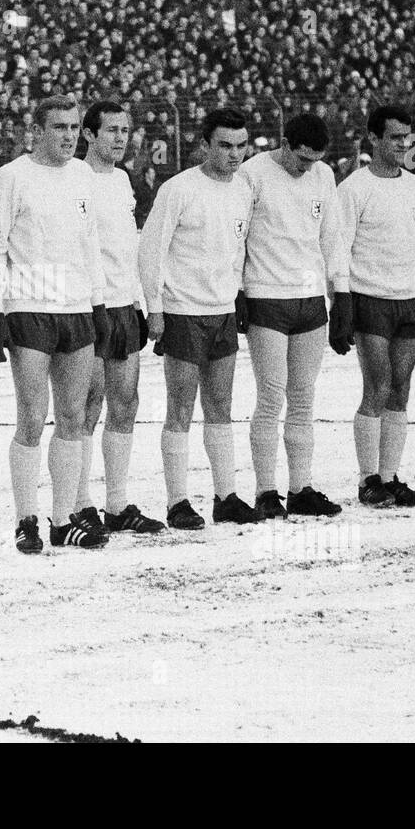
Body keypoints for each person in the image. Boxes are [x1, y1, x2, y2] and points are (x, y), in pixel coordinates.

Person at [0, 95, 109, 553]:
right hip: (29, 307)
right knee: (33, 417)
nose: (68, 135)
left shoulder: (82, 176)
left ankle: (63, 519)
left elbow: (90, 243)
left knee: (74, 416)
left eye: (74, 127)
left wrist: (97, 302)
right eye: (59, 126)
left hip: (76, 308)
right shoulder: (11, 178)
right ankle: (26, 520)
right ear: (36, 130)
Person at [138, 107, 254, 530]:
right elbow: (151, 249)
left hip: (222, 311)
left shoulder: (244, 189)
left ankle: (226, 497)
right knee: (181, 407)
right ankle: (178, 501)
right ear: (204, 145)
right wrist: (155, 306)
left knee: (221, 406)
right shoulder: (179, 189)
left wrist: (238, 293)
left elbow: (238, 248)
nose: (234, 154)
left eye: (241, 146)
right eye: (225, 145)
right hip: (183, 312)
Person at [239, 113, 346, 520]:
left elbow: (331, 237)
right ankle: (266, 491)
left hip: (310, 300)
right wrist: (238, 290)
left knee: (303, 398)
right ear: (285, 144)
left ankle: (300, 487)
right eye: (301, 159)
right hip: (267, 296)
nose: (307, 167)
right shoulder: (252, 174)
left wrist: (341, 294)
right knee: (271, 395)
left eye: (314, 160)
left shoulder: (323, 175)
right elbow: (239, 235)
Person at [332, 104, 415, 509]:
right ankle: (367, 479)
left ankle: (391, 476)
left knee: (402, 388)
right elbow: (340, 249)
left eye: (407, 137)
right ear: (373, 139)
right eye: (394, 137)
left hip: (409, 299)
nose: (402, 144)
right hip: (371, 298)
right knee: (377, 385)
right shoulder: (353, 189)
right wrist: (342, 301)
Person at [75, 101, 164, 536]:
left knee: (125, 403)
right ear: (88, 134)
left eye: (124, 130)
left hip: (124, 305)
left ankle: (117, 503)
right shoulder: (75, 178)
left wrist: (143, 303)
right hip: (87, 304)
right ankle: (79, 504)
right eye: (110, 130)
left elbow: (131, 247)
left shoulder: (124, 180)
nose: (119, 137)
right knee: (85, 405)